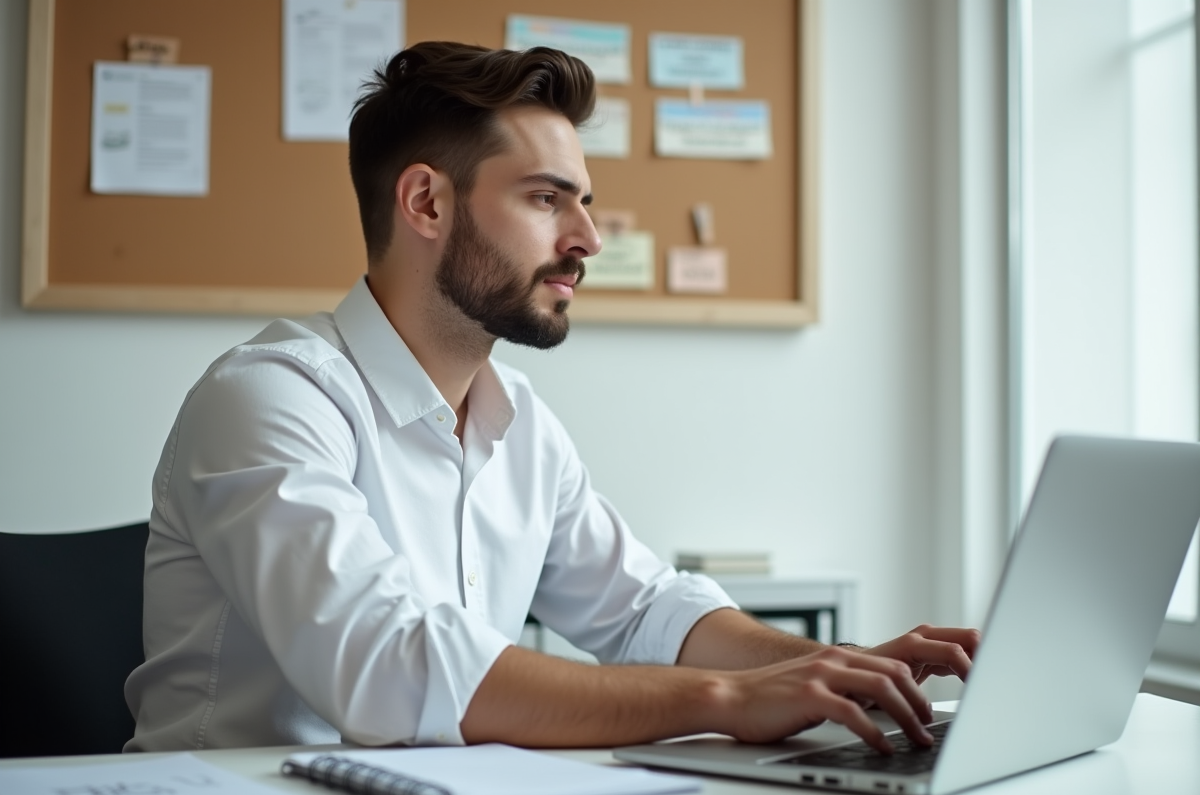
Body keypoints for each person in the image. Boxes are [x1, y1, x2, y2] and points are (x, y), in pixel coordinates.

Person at [124, 42, 979, 754]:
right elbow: (389, 671)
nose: (588, 241)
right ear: (426, 201)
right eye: (546, 199)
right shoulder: (269, 399)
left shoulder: (518, 421)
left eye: (586, 205)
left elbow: (647, 609)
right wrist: (721, 698)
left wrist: (837, 673)